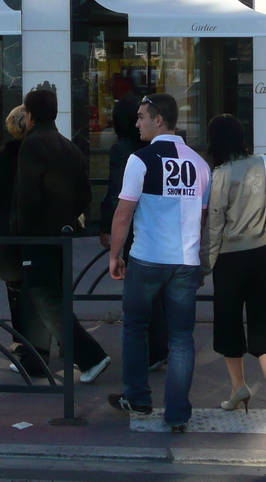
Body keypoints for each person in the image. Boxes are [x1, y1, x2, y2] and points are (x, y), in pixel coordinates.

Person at [107, 92, 211, 432]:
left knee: (135, 327)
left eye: (141, 117)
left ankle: (137, 397)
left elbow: (123, 215)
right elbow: (203, 216)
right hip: (185, 260)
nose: (136, 123)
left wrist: (115, 254)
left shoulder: (141, 160)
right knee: (181, 338)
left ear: (159, 120)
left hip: (148, 258)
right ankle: (178, 414)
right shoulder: (199, 163)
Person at [15, 86, 111, 384]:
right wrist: (66, 218)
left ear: (29, 116)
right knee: (41, 292)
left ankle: (91, 356)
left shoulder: (32, 145)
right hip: (63, 235)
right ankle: (34, 357)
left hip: (38, 235)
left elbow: (27, 195)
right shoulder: (69, 146)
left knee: (46, 298)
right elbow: (84, 194)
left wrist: (19, 229)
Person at [205, 114, 266, 421]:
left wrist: (205, 265)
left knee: (228, 323)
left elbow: (215, 226)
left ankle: (239, 388)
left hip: (231, 257)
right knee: (264, 320)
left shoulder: (221, 175)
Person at [0, 105, 49, 373]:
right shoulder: (46, 150)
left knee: (16, 286)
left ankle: (22, 342)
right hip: (42, 229)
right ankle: (57, 340)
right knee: (46, 286)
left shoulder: (8, 154)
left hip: (10, 229)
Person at [99, 97, 168, 372]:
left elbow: (116, 192)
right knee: (161, 292)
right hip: (160, 225)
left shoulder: (123, 149)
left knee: (140, 294)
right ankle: (161, 347)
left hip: (134, 227)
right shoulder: (155, 147)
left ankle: (147, 358)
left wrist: (108, 229)